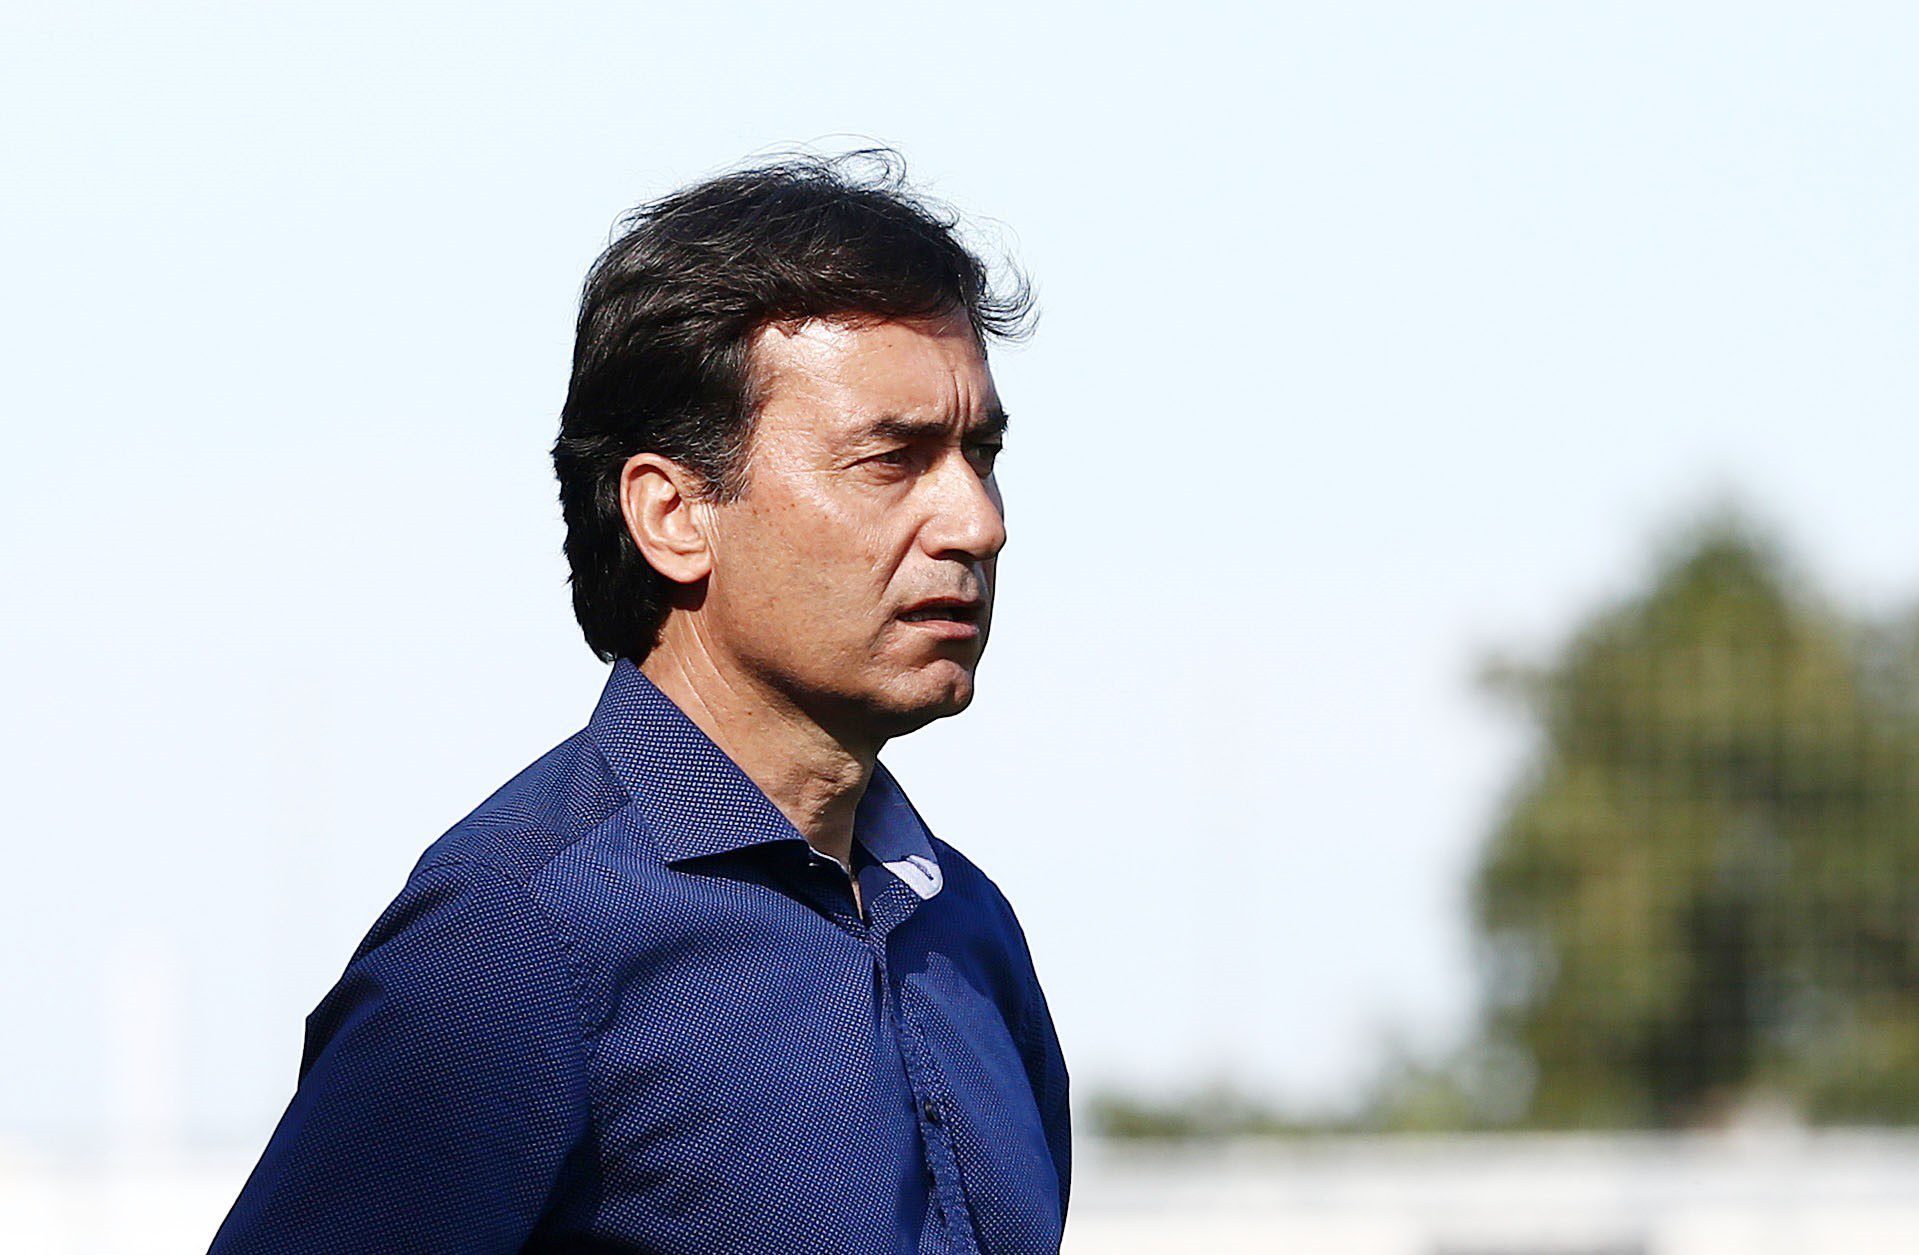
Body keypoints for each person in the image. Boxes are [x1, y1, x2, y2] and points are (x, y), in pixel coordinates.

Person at [206, 150, 1070, 1254]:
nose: (976, 521)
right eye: (891, 460)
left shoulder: (965, 928)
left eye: (978, 454)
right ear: (671, 515)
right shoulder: (516, 937)